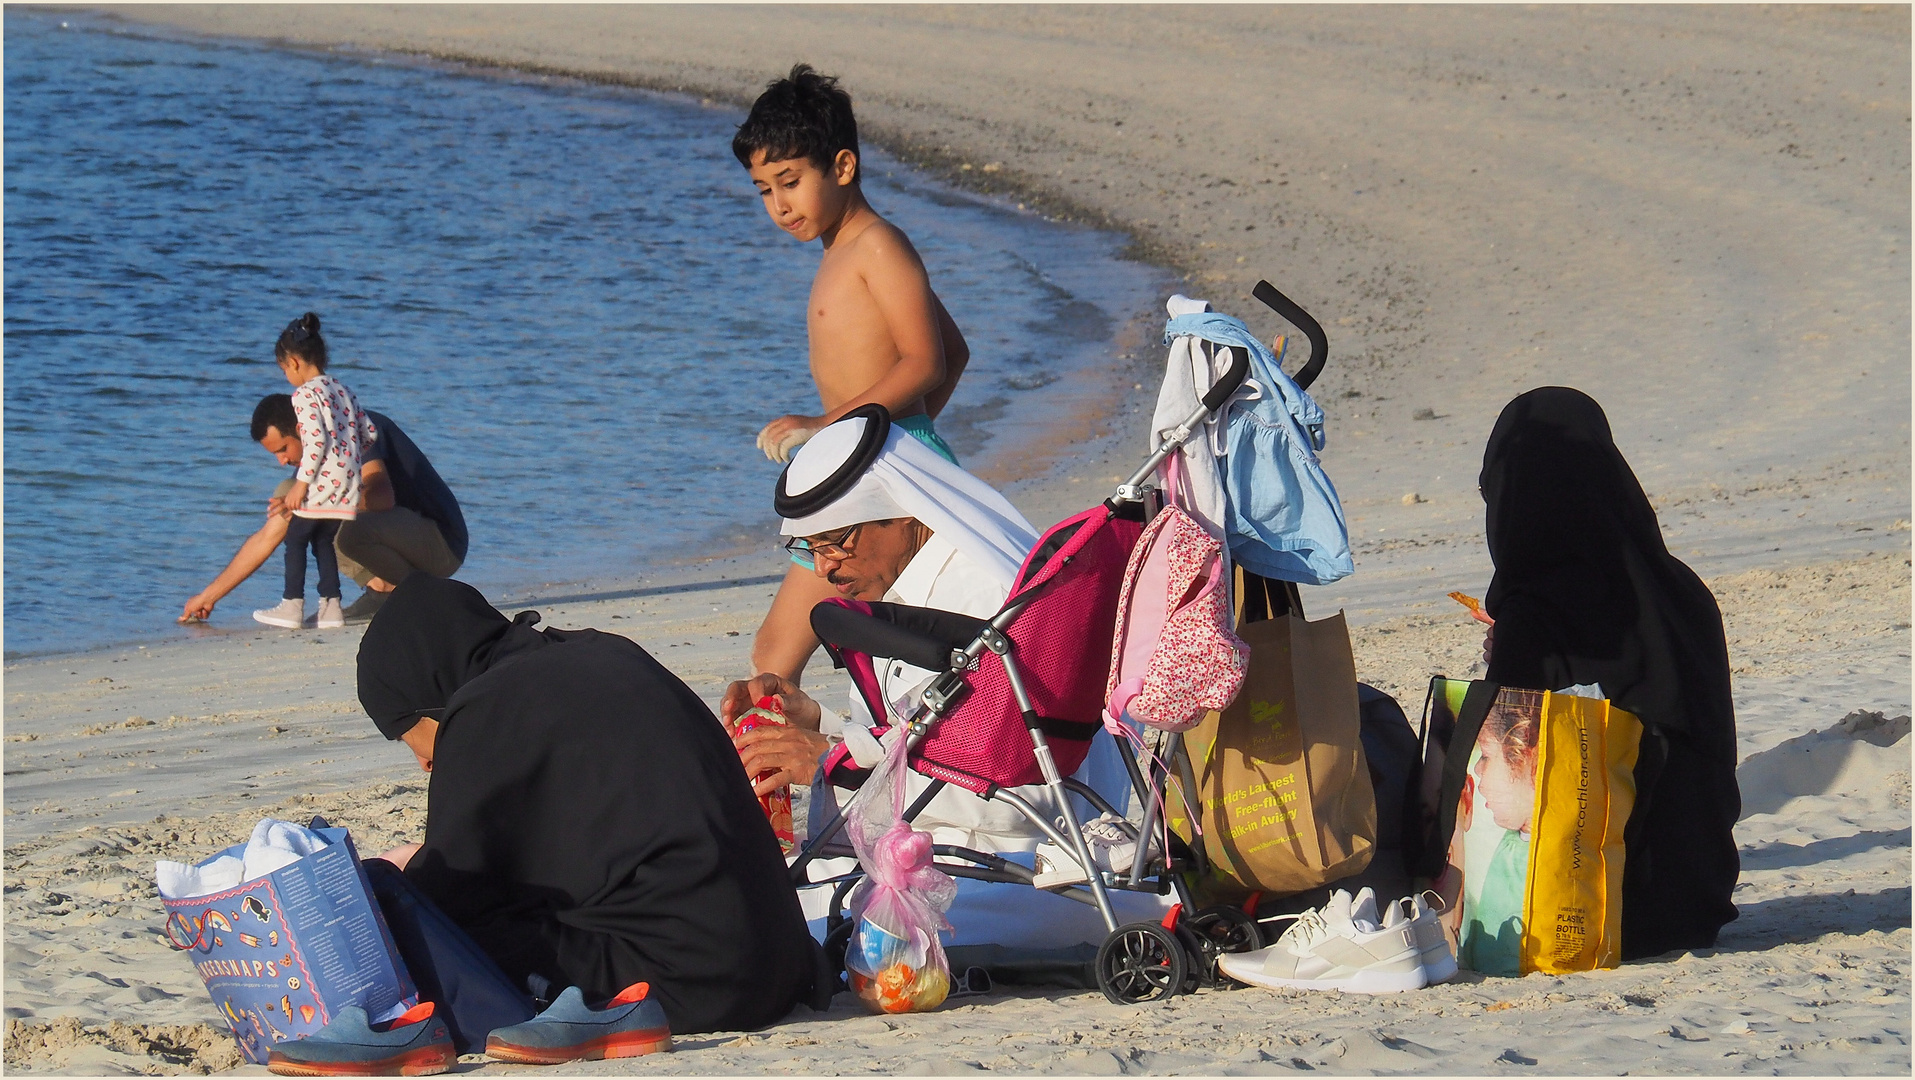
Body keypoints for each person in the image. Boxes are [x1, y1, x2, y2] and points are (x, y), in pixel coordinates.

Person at [720, 408, 1169, 950]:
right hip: (962, 845)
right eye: (807, 549)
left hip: (1016, 866)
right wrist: (818, 722)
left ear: (903, 514)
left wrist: (824, 758)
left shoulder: (978, 598)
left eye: (835, 542)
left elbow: (1009, 794)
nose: (823, 570)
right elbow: (930, 741)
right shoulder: (917, 586)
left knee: (755, 916)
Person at [356, 575, 821, 1037]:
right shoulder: (605, 651)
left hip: (697, 984)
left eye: (404, 733)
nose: (420, 761)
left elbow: (449, 901)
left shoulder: (487, 708)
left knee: (443, 935)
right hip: (784, 963)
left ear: (423, 695)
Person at [1478, 386, 1740, 959]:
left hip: (1598, 911)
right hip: (1697, 897)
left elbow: (1505, 745)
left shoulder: (1537, 609)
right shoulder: (1682, 591)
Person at [731, 63, 973, 682]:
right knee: (864, 643)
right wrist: (891, 435)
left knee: (777, 654)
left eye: (790, 181)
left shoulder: (877, 246)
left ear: (842, 167)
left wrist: (833, 429)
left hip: (876, 470)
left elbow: (928, 360)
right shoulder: (844, 249)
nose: (779, 205)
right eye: (764, 189)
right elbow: (955, 351)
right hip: (874, 460)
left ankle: (776, 768)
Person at [180, 394, 466, 626]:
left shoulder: (350, 430)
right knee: (290, 496)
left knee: (322, 511)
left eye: (283, 450)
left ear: (300, 430)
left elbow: (381, 497)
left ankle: (399, 593)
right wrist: (208, 597)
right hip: (404, 542)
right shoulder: (313, 464)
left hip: (440, 542)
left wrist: (318, 504)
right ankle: (380, 587)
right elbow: (267, 536)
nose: (281, 461)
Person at [252, 313, 377, 630]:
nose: (286, 376)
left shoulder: (305, 396)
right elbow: (369, 434)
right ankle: (331, 607)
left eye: (283, 369)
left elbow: (316, 441)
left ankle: (292, 604)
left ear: (293, 362)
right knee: (323, 541)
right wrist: (348, 463)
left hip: (321, 483)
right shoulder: (342, 389)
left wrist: (300, 485)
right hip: (347, 484)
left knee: (295, 539)